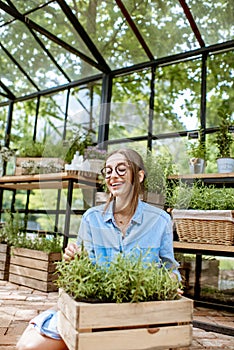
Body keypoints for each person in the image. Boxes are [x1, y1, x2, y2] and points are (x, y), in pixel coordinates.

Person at [16, 148, 181, 350]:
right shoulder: (92, 218)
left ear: (139, 176)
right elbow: (83, 266)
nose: (113, 176)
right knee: (29, 347)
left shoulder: (160, 220)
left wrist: (171, 281)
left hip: (139, 312)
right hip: (96, 310)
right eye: (108, 171)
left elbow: (169, 269)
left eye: (121, 169)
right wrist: (73, 258)